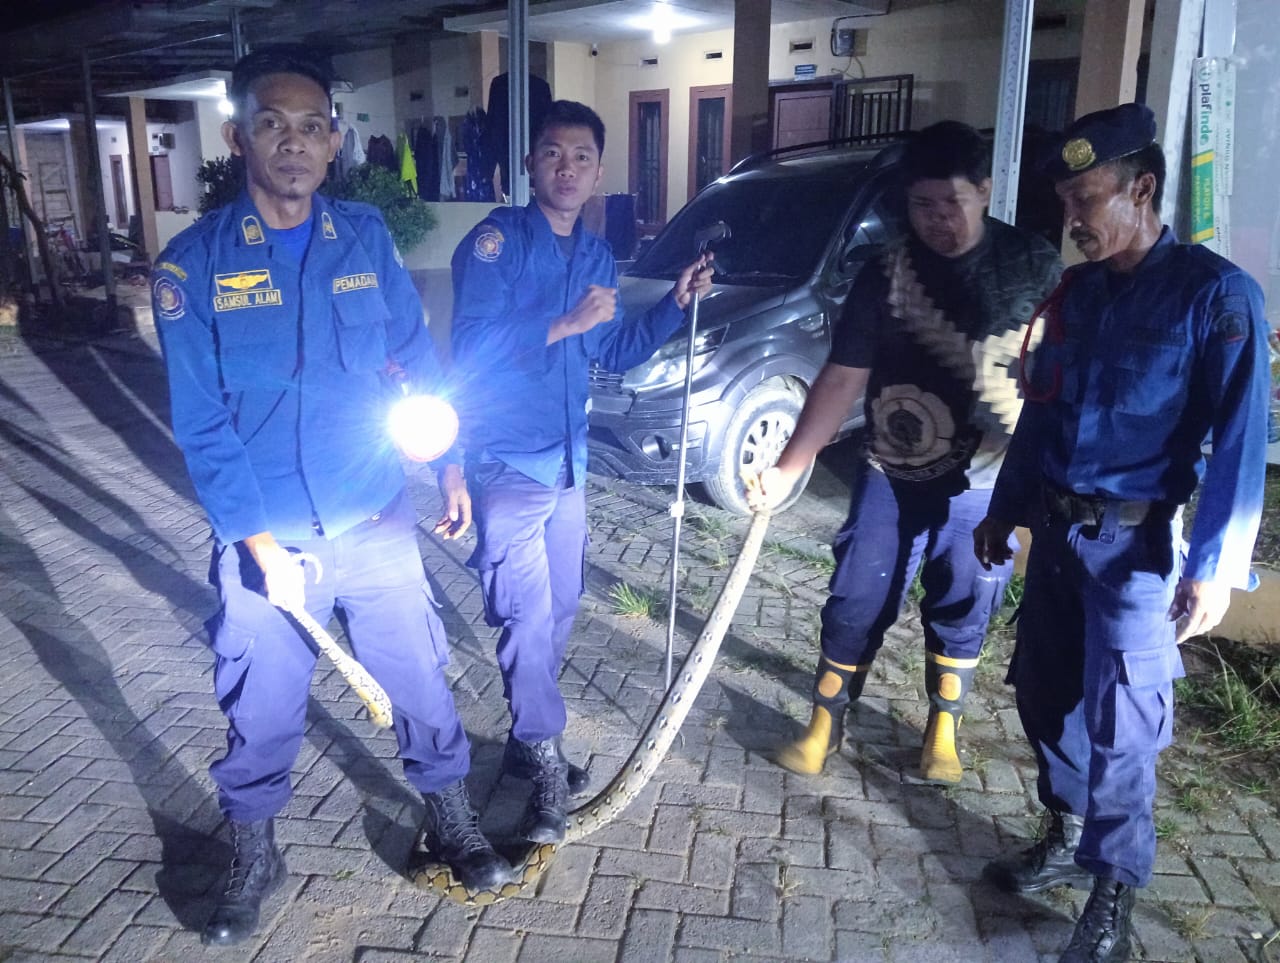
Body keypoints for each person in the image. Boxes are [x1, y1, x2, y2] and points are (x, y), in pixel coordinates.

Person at [152, 45, 511, 946]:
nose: (294, 142)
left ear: (334, 140)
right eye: (273, 124)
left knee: (418, 674)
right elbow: (202, 424)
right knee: (261, 701)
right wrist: (256, 545)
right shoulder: (192, 267)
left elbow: (416, 357)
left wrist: (450, 459)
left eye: (312, 126)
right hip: (268, 537)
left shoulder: (363, 237)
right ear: (237, 137)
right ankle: (254, 847)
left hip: (374, 510)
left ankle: (449, 814)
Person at [973, 103, 1269, 963]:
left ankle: (1113, 891)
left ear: (1142, 190)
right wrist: (1004, 507)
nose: (1070, 219)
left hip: (1134, 550)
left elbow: (1241, 440)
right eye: (1065, 201)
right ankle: (1067, 834)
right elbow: (1040, 412)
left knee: (1123, 723)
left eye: (1085, 199)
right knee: (1042, 691)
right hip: (1057, 537)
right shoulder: (1079, 293)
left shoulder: (1216, 296)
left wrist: (1214, 565)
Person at [751, 121, 1062, 784]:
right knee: (855, 595)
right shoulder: (887, 272)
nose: (938, 220)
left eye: (952, 203)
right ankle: (825, 724)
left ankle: (942, 732)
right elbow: (842, 376)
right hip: (891, 470)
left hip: (987, 478)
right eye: (923, 205)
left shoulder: (1033, 266)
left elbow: (1059, 378)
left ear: (984, 191)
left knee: (965, 599)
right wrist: (788, 466)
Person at [449, 100, 713, 844]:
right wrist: (562, 323)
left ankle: (526, 740)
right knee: (524, 617)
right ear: (529, 165)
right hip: (506, 460)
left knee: (560, 608)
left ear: (599, 172)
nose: (567, 169)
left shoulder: (595, 255)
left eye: (582, 157)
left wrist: (674, 303)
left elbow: (613, 349)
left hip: (568, 465)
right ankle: (543, 760)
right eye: (553, 154)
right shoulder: (496, 243)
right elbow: (469, 347)